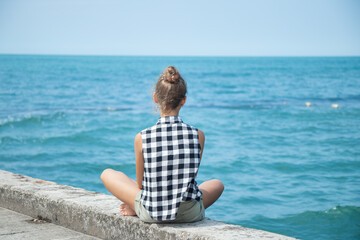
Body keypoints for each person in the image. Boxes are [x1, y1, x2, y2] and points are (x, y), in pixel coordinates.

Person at [100, 66, 224, 223]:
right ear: (183, 100)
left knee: (107, 174)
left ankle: (136, 207)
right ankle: (148, 207)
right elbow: (189, 177)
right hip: (189, 213)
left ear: (155, 98)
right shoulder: (198, 135)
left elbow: (141, 184)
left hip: (152, 213)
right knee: (217, 184)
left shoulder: (142, 137)